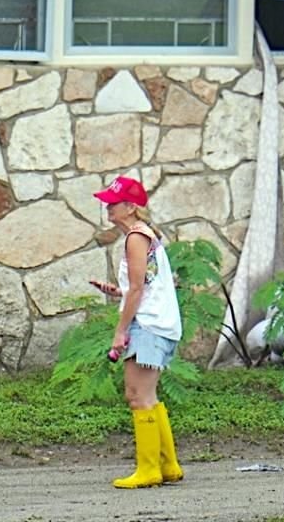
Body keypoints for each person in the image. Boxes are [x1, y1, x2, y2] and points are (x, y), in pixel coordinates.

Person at [90, 176, 184, 489]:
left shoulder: (134, 237)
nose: (108, 207)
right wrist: (120, 291)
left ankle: (148, 470)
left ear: (131, 207)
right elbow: (147, 284)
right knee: (148, 396)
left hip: (147, 325)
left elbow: (139, 290)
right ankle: (167, 465)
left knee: (137, 395)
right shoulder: (147, 234)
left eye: (113, 202)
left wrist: (120, 331)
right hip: (160, 322)